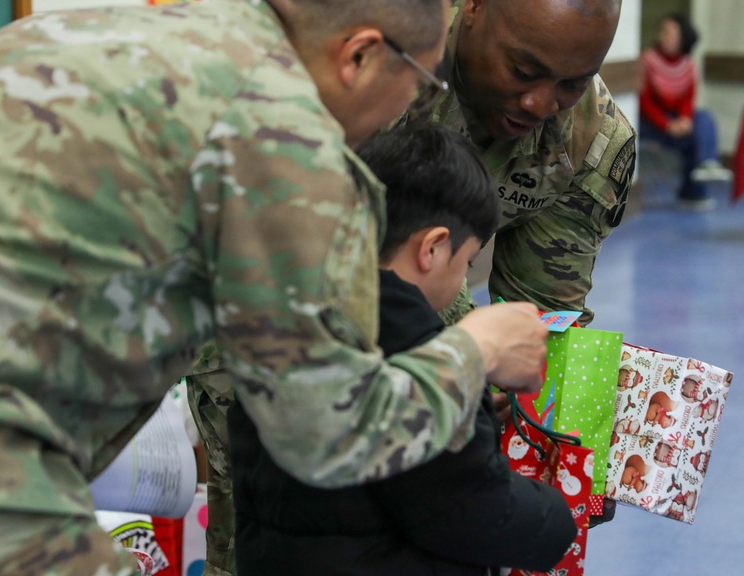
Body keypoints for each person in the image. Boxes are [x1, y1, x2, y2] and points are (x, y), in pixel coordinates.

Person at [0, 0, 549, 573]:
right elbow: (326, 433)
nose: (407, 110)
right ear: (362, 53)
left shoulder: (83, 32)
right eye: (421, 82)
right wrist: (476, 348)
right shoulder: (284, 136)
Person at [229, 123, 577, 576]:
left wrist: (475, 410)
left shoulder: (287, 320)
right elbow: (476, 517)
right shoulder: (415, 342)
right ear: (432, 248)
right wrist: (558, 512)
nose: (462, 280)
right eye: (467, 262)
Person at [403, 0, 637, 329]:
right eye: (523, 69)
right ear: (476, 4)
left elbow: (543, 313)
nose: (540, 105)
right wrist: (472, 350)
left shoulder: (593, 140)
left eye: (572, 83)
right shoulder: (392, 50)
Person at [639, 12, 732, 210]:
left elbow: (688, 98)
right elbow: (644, 101)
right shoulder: (648, 60)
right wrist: (667, 124)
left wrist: (685, 119)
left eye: (669, 32)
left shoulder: (688, 65)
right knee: (694, 137)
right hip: (650, 123)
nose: (663, 36)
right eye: (662, 31)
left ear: (683, 38)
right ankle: (696, 185)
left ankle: (704, 171)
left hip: (675, 120)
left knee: (703, 119)